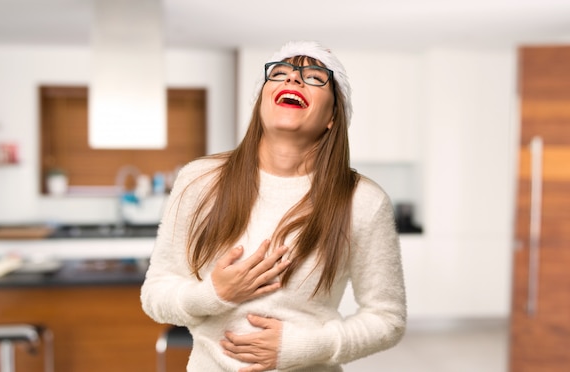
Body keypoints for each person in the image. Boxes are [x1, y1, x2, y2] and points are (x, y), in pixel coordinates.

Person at [141, 40, 406, 372]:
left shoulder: (363, 200)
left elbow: (387, 319)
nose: (293, 79)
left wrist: (306, 347)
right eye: (279, 73)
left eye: (313, 77)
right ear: (261, 102)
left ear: (333, 117)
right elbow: (155, 295)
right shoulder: (199, 180)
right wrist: (214, 294)